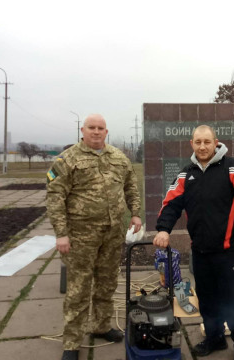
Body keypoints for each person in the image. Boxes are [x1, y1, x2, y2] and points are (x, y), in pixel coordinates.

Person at [153, 125, 234, 360]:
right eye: (198, 142)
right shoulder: (186, 174)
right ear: (191, 144)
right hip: (200, 252)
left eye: (207, 142)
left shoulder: (232, 168)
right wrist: (163, 229)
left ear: (216, 143)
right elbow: (171, 203)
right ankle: (214, 339)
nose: (202, 146)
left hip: (228, 251)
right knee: (207, 298)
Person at [47, 114, 142, 360]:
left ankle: (101, 326)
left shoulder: (118, 157)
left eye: (100, 128)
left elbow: (131, 185)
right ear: (83, 130)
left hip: (112, 233)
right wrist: (61, 234)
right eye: (92, 128)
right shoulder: (67, 160)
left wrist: (135, 214)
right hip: (80, 236)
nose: (96, 132)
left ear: (106, 131)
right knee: (78, 289)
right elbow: (55, 197)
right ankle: (71, 342)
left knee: (107, 282)